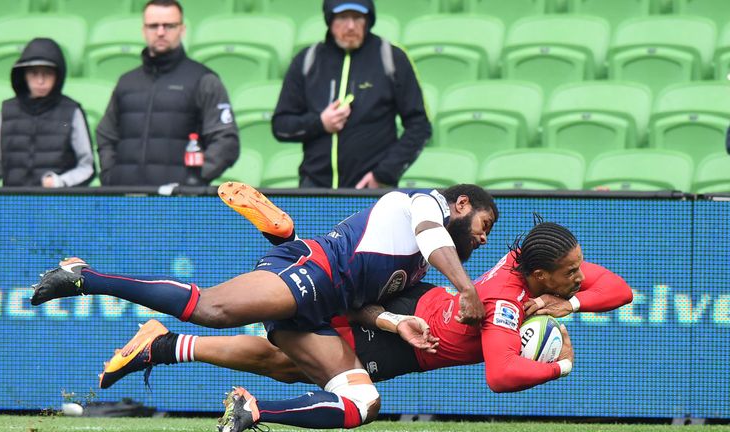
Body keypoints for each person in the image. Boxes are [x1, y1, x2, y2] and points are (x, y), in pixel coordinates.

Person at [31, 182, 497, 431]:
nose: (483, 236)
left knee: (360, 401)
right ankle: (84, 276)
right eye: (484, 224)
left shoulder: (416, 265)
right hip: (315, 274)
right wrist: (469, 290)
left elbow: (361, 309)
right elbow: (433, 236)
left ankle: (248, 407)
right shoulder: (420, 205)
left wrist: (396, 322)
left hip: (320, 312)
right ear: (460, 203)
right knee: (213, 309)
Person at [97, 219, 633, 393]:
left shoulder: (533, 263)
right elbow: (501, 373)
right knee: (295, 362)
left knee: (288, 361)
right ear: (539, 274)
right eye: (572, 273)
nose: (581, 275)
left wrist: (575, 301)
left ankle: (162, 345)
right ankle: (284, 249)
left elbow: (620, 289)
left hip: (414, 300)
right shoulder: (504, 306)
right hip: (414, 337)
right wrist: (559, 364)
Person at [271, 0, 431, 189]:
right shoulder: (307, 59)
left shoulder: (392, 57)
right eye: (342, 17)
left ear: (368, 20)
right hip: (315, 189)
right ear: (330, 20)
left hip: (372, 191)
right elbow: (281, 126)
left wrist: (384, 174)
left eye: (358, 17)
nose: (351, 26)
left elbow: (420, 126)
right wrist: (320, 123)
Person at [95, 0, 239, 186]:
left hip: (178, 204)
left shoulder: (203, 79)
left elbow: (226, 141)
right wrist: (112, 176)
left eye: (169, 26)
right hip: (126, 202)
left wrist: (193, 180)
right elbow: (106, 134)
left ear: (182, 29)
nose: (161, 32)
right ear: (143, 30)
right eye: (153, 26)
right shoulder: (126, 82)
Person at [0, 38, 95, 187]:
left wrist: (60, 182)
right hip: (13, 204)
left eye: (47, 73)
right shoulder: (7, 111)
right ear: (23, 75)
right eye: (34, 73)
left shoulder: (71, 111)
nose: (40, 81)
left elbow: (87, 167)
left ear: (58, 76)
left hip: (57, 206)